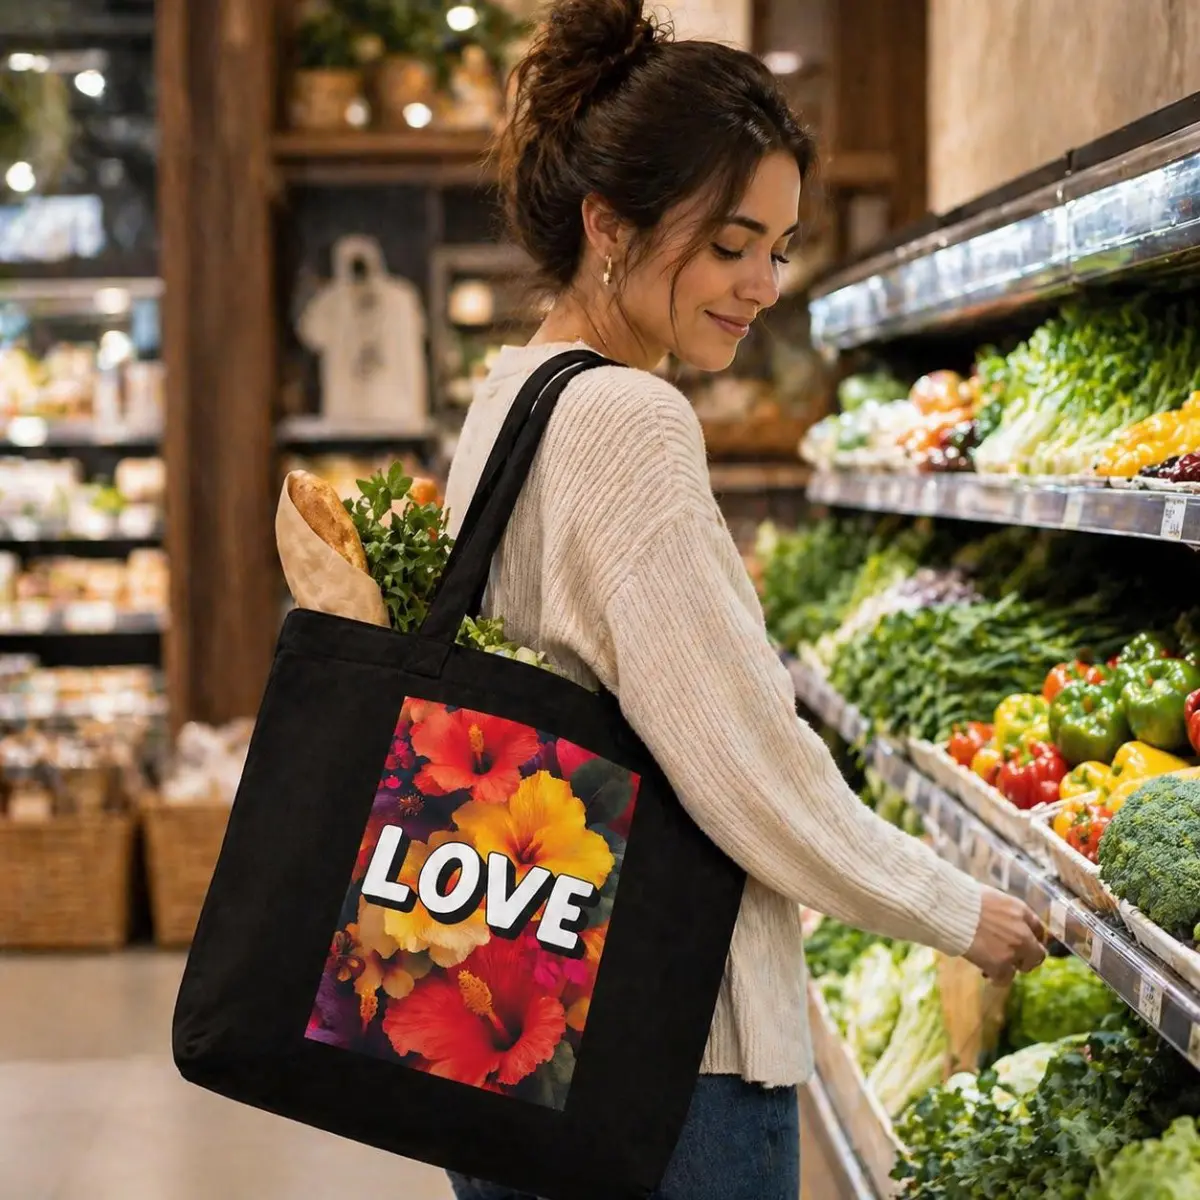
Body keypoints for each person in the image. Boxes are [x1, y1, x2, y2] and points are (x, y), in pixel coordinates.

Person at [442, 2, 1046, 1196]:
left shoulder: (510, 395)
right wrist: (953, 907)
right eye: (729, 244)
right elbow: (741, 765)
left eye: (780, 245)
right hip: (663, 1060)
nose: (765, 282)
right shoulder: (626, 420)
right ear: (609, 226)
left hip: (515, 1010)